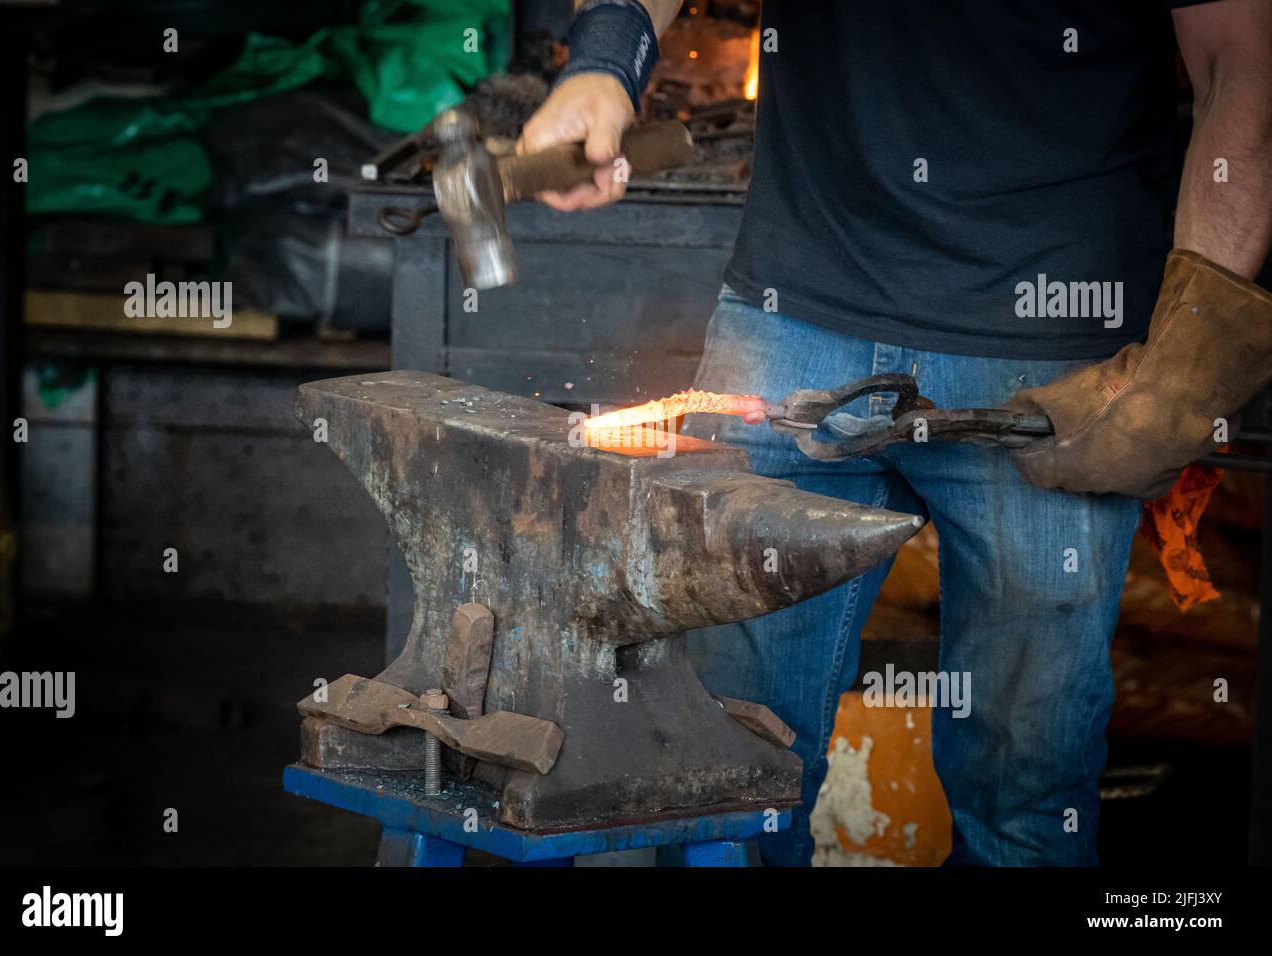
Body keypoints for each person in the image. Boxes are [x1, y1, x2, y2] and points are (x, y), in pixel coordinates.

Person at [518, 0, 1272, 865]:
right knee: (724, 775)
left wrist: (1194, 347)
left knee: (1025, 802)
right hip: (796, 303)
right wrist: (606, 58)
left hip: (1060, 344)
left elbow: (1240, 62)